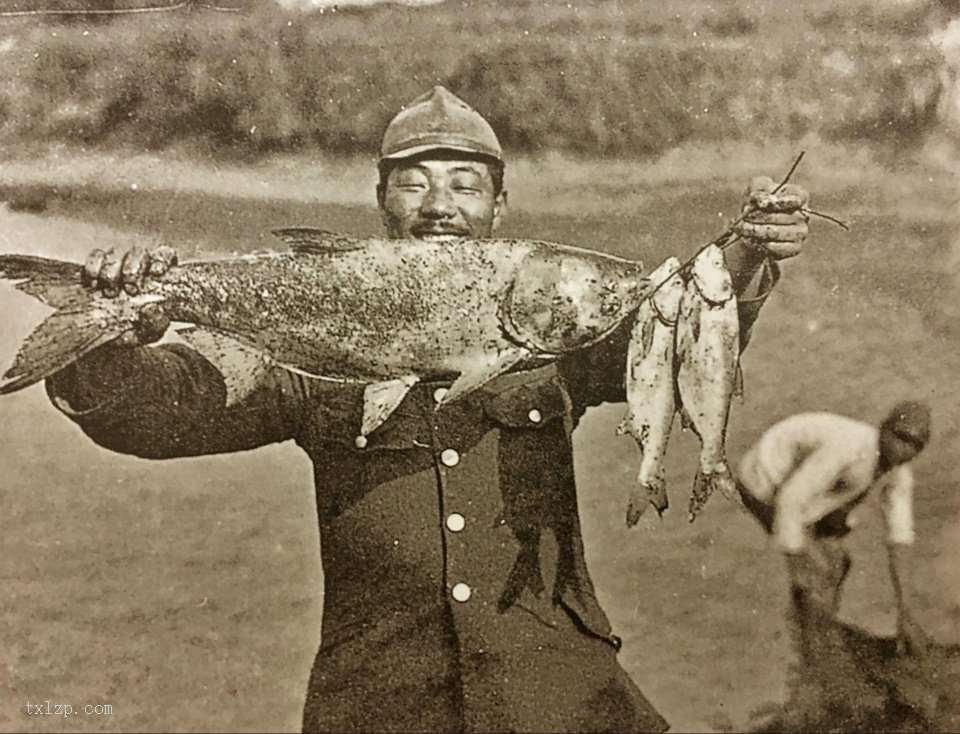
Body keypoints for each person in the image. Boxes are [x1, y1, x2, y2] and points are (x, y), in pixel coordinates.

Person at [45, 86, 809, 733]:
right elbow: (172, 412)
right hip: (382, 698)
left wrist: (748, 251)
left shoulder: (552, 324)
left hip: (556, 691)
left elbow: (679, 335)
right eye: (413, 182)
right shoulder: (317, 331)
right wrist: (109, 338)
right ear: (381, 198)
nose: (439, 204)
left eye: (465, 184)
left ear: (498, 205)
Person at [736, 402, 932, 640]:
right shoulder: (847, 446)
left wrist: (906, 612)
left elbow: (900, 539)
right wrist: (800, 559)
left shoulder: (899, 474)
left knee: (839, 562)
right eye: (900, 437)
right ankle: (812, 636)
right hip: (765, 477)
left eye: (916, 445)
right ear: (884, 429)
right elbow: (790, 500)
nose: (905, 449)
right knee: (818, 569)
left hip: (819, 491)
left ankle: (818, 622)